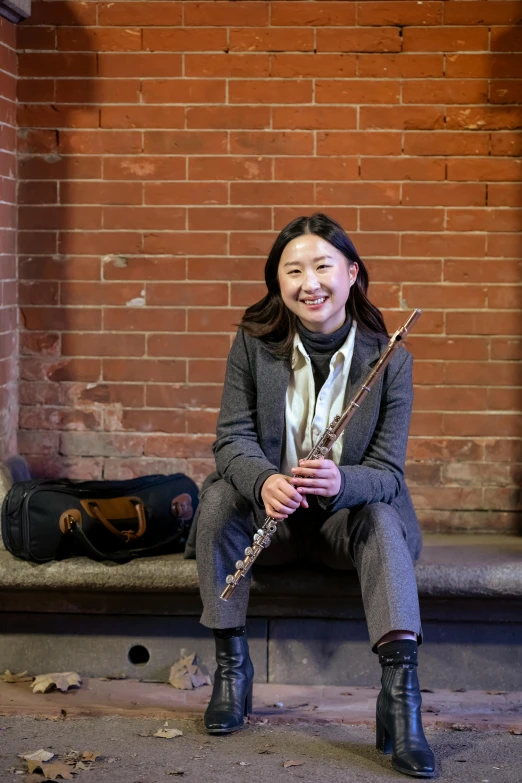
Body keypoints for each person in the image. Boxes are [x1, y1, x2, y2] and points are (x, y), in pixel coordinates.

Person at [187, 213, 435, 778]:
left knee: (379, 512)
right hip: (265, 520)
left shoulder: (390, 359)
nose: (309, 282)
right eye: (293, 270)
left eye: (323, 266)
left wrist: (343, 482)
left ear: (351, 273)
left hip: (338, 525)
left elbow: (389, 473)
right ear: (278, 283)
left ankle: (402, 703)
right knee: (222, 498)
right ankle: (231, 670)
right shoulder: (254, 346)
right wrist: (263, 480)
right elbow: (232, 440)